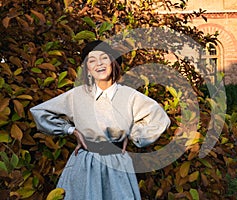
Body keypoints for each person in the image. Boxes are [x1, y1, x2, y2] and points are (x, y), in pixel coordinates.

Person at [30, 40, 171, 200]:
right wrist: (71, 130)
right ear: (88, 70)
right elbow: (40, 112)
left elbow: (159, 118)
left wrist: (132, 134)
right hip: (84, 164)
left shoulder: (130, 96)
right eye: (92, 60)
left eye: (104, 58)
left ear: (113, 62)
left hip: (117, 165)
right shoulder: (77, 95)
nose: (99, 64)